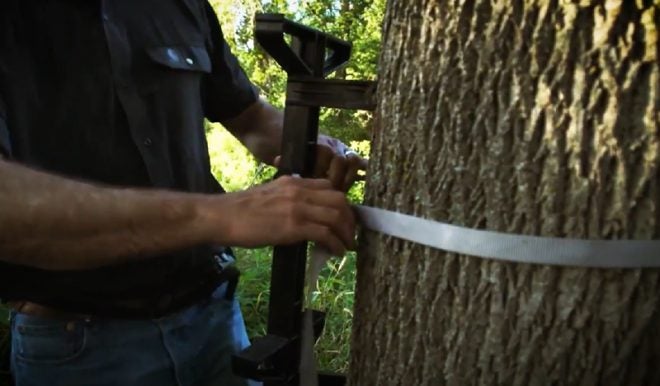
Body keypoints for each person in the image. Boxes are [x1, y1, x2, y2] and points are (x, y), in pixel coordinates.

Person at [0, 1, 365, 385]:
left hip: (214, 322)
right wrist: (221, 215)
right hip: (80, 345)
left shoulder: (182, 7)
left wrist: (312, 145)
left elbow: (252, 117)